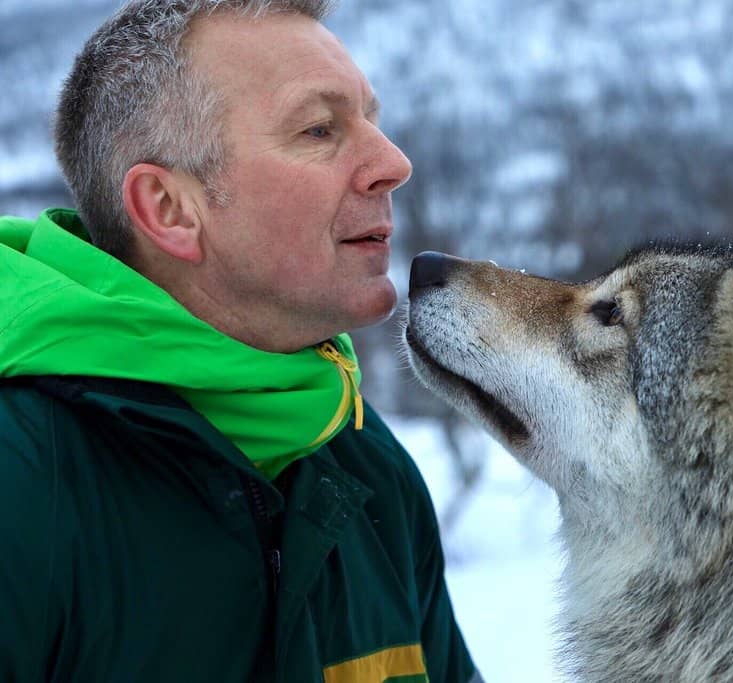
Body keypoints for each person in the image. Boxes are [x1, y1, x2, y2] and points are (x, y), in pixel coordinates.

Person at [0, 1, 482, 681]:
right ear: (170, 210)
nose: (393, 163)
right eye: (319, 129)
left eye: (371, 121)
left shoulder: (368, 468)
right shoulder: (23, 481)